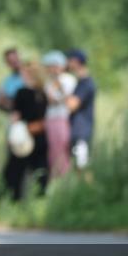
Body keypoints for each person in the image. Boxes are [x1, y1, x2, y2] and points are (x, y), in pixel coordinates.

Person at [4, 61, 49, 200]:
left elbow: (15, 117)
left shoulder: (22, 93)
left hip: (24, 139)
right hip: (40, 137)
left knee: (12, 173)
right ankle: (40, 201)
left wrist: (12, 136)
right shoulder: (43, 93)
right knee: (40, 173)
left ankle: (15, 201)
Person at [41, 50, 76, 178]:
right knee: (53, 149)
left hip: (64, 118)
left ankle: (66, 175)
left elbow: (69, 99)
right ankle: (56, 176)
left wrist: (59, 87)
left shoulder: (69, 79)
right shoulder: (48, 83)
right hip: (51, 118)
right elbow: (50, 100)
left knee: (64, 147)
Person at [66, 48, 97, 170]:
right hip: (78, 130)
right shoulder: (81, 82)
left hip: (81, 131)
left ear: (76, 61)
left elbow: (72, 105)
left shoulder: (86, 83)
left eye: (70, 60)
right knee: (77, 166)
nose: (68, 63)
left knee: (81, 167)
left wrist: (60, 91)